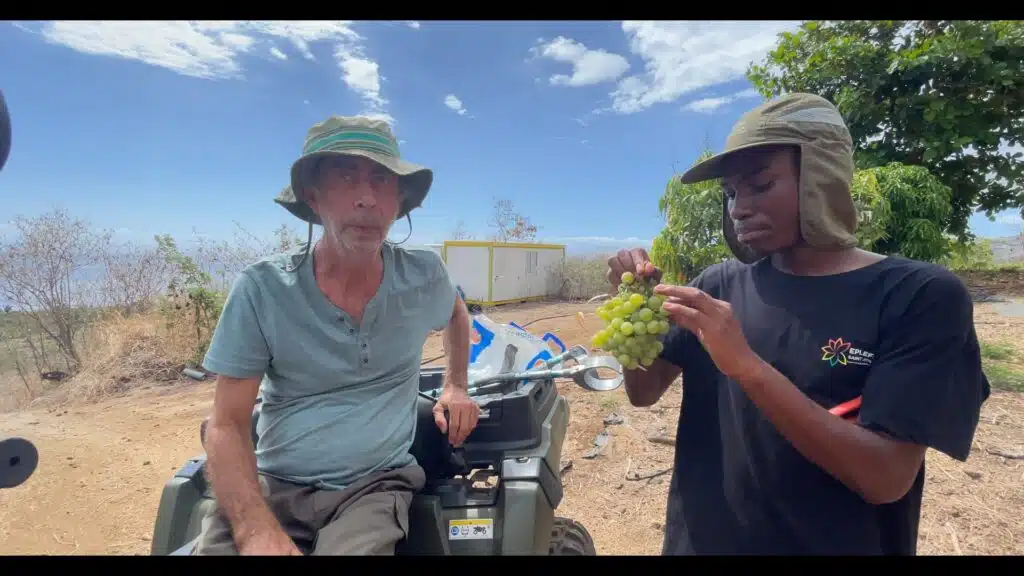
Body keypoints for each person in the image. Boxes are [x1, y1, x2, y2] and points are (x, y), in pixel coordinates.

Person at [609, 93, 990, 555]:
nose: (738, 208)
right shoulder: (718, 285)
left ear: (821, 178)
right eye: (731, 193)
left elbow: (886, 478)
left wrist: (746, 367)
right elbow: (643, 392)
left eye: (760, 185)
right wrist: (637, 310)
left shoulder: (917, 296)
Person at [193, 115, 481, 556]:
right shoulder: (263, 290)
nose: (367, 198)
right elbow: (227, 423)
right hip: (273, 484)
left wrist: (456, 386)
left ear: (398, 200)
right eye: (346, 177)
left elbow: (457, 313)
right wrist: (255, 532)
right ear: (313, 196)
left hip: (373, 485)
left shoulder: (422, 275)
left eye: (381, 180)